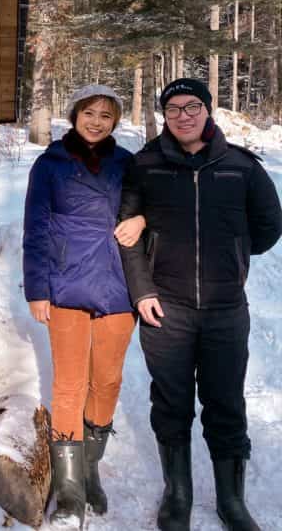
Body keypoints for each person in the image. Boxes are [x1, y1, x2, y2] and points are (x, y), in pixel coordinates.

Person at [117, 77, 282, 531]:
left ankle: (232, 500)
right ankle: (178, 495)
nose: (184, 116)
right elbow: (127, 235)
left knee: (225, 401)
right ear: (164, 116)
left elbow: (269, 225)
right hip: (165, 309)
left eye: (192, 107)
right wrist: (142, 291)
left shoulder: (241, 166)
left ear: (208, 111)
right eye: (173, 109)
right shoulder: (145, 166)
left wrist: (232, 256)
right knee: (171, 403)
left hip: (226, 309)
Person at [23, 84, 144, 527]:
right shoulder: (49, 164)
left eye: (106, 115)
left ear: (115, 122)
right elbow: (35, 229)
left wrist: (142, 218)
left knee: (107, 382)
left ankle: (91, 467)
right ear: (75, 115)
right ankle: (70, 486)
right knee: (70, 384)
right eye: (89, 112)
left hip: (116, 287)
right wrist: (37, 289)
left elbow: (149, 208)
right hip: (66, 286)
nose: (96, 121)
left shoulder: (127, 164)